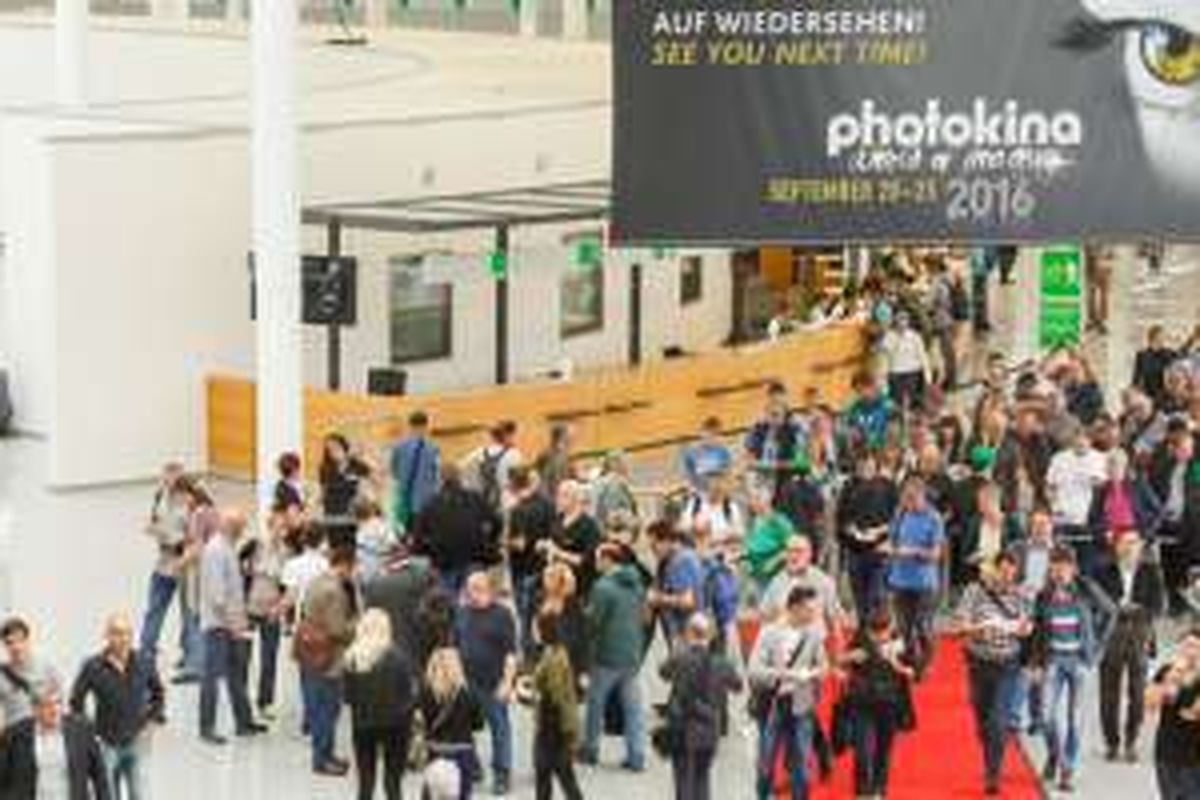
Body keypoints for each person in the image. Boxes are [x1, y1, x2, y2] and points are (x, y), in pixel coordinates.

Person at [1027, 546, 1109, 792]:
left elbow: (1109, 611)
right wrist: (1036, 663)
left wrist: (1096, 649)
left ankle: (1067, 769)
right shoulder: (1044, 595)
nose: (1059, 570)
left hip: (1079, 662)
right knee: (1046, 716)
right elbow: (1037, 633)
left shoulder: (1085, 588)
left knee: (1074, 720)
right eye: (1055, 565)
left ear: (1073, 568)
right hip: (1052, 660)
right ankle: (1054, 755)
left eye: (1064, 565)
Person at [953, 551, 1033, 796]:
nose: (1007, 577)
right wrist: (978, 627)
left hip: (1008, 665)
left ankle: (992, 773)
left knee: (998, 722)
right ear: (995, 569)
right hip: (979, 664)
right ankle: (990, 751)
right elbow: (958, 625)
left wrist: (1022, 629)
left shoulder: (1021, 595)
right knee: (983, 722)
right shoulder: (974, 592)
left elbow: (1028, 626)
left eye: (1012, 573)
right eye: (1003, 571)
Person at [68, 613, 164, 800]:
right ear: (107, 636)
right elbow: (76, 701)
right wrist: (88, 733)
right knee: (108, 795)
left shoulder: (144, 662)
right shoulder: (92, 666)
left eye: (127, 633)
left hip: (137, 742)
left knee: (140, 794)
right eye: (116, 633)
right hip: (106, 744)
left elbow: (158, 694)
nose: (122, 639)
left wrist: (151, 721)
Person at [747, 586, 827, 800]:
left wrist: (811, 674)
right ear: (795, 608)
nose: (814, 614)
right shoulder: (769, 633)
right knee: (766, 761)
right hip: (773, 704)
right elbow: (753, 669)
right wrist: (787, 675)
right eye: (810, 610)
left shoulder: (814, 634)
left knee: (802, 761)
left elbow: (823, 666)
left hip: (802, 705)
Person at [1096, 528, 1166, 763]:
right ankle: (1112, 743)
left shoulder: (1151, 571)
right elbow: (1095, 601)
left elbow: (1159, 606)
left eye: (1134, 543)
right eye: (1125, 543)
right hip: (1111, 632)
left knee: (1137, 693)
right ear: (1116, 547)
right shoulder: (1103, 570)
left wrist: (1138, 609)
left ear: (1140, 547)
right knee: (1108, 693)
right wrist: (1114, 608)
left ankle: (1131, 741)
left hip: (1139, 631)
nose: (1130, 547)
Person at [197, 508, 263, 745]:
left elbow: (233, 589)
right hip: (218, 626)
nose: (243, 531)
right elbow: (217, 597)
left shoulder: (227, 547)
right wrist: (233, 624)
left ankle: (244, 722)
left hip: (232, 623)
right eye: (240, 527)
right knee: (211, 677)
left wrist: (240, 620)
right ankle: (207, 727)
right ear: (230, 526)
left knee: (236, 675)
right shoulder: (216, 550)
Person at [659, 613, 742, 800]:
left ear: (689, 632)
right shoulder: (721, 662)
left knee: (683, 780)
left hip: (682, 726)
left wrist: (678, 649)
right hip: (710, 727)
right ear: (711, 634)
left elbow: (663, 673)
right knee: (702, 777)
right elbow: (738, 686)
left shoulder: (680, 657)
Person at [581, 543, 647, 771]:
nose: (596, 563)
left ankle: (590, 750)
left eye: (598, 558)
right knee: (633, 709)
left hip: (607, 655)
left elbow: (593, 623)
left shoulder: (603, 587)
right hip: (631, 653)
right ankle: (636, 755)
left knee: (595, 705)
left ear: (608, 560)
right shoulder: (637, 583)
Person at [839, 610, 915, 800]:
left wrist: (900, 667)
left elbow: (915, 670)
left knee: (883, 750)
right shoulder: (860, 638)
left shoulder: (902, 641)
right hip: (862, 703)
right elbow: (839, 661)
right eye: (874, 632)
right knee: (863, 751)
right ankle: (863, 793)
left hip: (890, 704)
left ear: (891, 628)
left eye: (883, 632)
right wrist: (850, 657)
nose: (879, 636)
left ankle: (879, 791)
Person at [297, 545, 360, 776]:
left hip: (310, 651)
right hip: (329, 657)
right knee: (328, 709)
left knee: (319, 706)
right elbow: (338, 629)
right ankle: (322, 760)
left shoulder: (316, 582)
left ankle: (326, 755)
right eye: (354, 567)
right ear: (345, 565)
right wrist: (358, 625)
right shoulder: (334, 590)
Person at [343, 609, 416, 800]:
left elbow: (348, 698)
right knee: (393, 782)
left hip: (363, 724)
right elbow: (408, 696)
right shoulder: (399, 658)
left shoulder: (352, 658)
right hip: (396, 725)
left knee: (365, 782)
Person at [455, 572, 517, 796]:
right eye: (469, 588)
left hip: (493, 683)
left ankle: (502, 773)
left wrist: (507, 683)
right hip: (465, 681)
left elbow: (511, 653)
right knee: (462, 728)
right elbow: (455, 645)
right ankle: (473, 767)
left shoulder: (503, 614)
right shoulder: (461, 612)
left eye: (476, 588)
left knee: (500, 728)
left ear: (489, 590)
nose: (470, 593)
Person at [0, 682, 111, 800]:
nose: (54, 710)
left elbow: (99, 774)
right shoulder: (15, 735)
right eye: (47, 705)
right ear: (35, 709)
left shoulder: (81, 730)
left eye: (57, 703)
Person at [411, 465, 503, 600]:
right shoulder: (475, 498)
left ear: (441, 480)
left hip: (444, 561)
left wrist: (428, 550)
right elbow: (497, 521)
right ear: (460, 479)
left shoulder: (430, 503)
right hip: (474, 557)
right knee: (476, 602)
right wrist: (490, 539)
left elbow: (417, 537)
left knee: (448, 605)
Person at [887, 476, 945, 678]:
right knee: (903, 627)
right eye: (905, 497)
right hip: (899, 580)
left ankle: (926, 663)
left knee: (922, 626)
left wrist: (913, 552)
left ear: (923, 495)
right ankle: (912, 663)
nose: (908, 502)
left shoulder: (934, 518)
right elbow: (892, 543)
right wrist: (892, 550)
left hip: (924, 582)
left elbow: (936, 555)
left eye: (912, 498)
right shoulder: (900, 513)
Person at [138, 463, 190, 663]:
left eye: (169, 478)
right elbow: (150, 524)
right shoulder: (160, 498)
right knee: (155, 609)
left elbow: (189, 533)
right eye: (165, 478)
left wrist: (166, 534)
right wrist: (159, 532)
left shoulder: (188, 502)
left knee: (187, 613)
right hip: (164, 563)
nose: (165, 482)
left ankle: (187, 652)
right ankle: (147, 649)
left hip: (184, 564)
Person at [837, 453, 898, 621]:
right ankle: (863, 634)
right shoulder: (848, 487)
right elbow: (841, 519)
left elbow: (898, 518)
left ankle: (878, 638)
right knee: (859, 602)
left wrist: (880, 531)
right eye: (862, 466)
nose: (865, 470)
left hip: (880, 553)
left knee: (877, 599)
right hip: (855, 552)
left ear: (876, 467)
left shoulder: (888, 486)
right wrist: (852, 530)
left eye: (869, 466)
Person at [506, 466, 557, 660]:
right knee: (543, 616)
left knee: (525, 621)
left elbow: (520, 544)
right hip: (542, 570)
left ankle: (528, 659)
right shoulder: (547, 504)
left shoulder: (518, 511)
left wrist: (504, 543)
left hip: (522, 572)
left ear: (513, 485)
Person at [531, 612, 583, 800]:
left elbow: (557, 696)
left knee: (554, 776)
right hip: (556, 727)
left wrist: (529, 693)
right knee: (561, 778)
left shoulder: (553, 659)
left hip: (553, 728)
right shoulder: (554, 652)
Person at [419, 647, 483, 800]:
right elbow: (479, 724)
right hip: (462, 752)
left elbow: (424, 721)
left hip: (436, 751)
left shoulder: (426, 693)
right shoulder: (468, 693)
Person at [1046, 426, 1108, 578]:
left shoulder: (1100, 459)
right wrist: (1053, 506)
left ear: (1090, 441)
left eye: (1083, 442)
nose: (1079, 445)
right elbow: (1049, 485)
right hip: (1062, 518)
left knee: (1086, 565)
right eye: (1076, 441)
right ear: (1072, 440)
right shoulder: (1059, 458)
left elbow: (1105, 488)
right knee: (1061, 560)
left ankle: (1086, 589)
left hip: (1086, 520)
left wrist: (1095, 482)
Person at [1146, 627, 1200, 800]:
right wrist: (1172, 677)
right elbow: (1149, 704)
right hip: (1167, 753)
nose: (1191, 652)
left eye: (1197, 647)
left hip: (1195, 759)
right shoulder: (1167, 670)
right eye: (1187, 646)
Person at [647, 526, 704, 649]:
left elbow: (688, 601)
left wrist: (658, 599)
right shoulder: (666, 562)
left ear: (666, 541)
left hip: (687, 635)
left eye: (654, 546)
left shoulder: (682, 561)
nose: (653, 551)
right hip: (677, 633)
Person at [0, 618, 61, 732]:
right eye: (9, 642)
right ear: (4, 645)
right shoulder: (2, 675)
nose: (16, 647)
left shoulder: (46, 667)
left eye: (20, 640)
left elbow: (61, 702)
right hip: (15, 738)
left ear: (28, 640)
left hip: (41, 735)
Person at [549, 480, 603, 598]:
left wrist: (559, 553)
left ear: (576, 498)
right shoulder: (558, 520)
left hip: (580, 587)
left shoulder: (589, 526)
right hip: (557, 584)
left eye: (564, 495)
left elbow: (587, 561)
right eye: (558, 494)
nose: (558, 499)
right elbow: (553, 544)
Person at [319, 433, 374, 547]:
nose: (333, 452)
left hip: (352, 518)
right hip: (332, 518)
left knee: (353, 550)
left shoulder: (356, 465)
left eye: (335, 447)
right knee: (335, 552)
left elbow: (375, 479)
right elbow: (323, 491)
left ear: (344, 446)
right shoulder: (325, 468)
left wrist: (366, 496)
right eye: (329, 449)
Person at [389, 410, 441, 529]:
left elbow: (394, 471)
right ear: (426, 426)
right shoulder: (433, 448)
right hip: (426, 501)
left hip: (405, 498)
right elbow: (436, 475)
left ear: (410, 426)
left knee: (407, 532)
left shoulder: (398, 446)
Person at [880, 311, 930, 415]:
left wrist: (927, 374)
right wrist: (883, 378)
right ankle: (901, 417)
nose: (902, 323)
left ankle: (910, 416)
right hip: (896, 372)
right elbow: (884, 358)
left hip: (912, 371)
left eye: (905, 319)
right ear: (895, 321)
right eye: (900, 320)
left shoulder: (915, 337)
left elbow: (922, 355)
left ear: (908, 322)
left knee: (911, 401)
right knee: (897, 400)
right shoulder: (889, 337)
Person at [681, 417, 733, 494]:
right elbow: (687, 476)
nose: (712, 438)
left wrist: (723, 488)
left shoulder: (724, 452)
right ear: (702, 433)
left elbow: (727, 475)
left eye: (716, 435)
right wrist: (691, 488)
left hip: (717, 494)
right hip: (698, 492)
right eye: (709, 434)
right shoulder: (691, 453)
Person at [354, 497, 397, 584]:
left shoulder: (361, 531)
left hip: (370, 573)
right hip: (383, 571)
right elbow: (393, 543)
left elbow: (360, 555)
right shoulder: (384, 525)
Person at [593, 450, 638, 530]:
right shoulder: (615, 483)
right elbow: (613, 514)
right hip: (613, 532)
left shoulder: (600, 482)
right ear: (614, 464)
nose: (628, 466)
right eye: (626, 462)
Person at [534, 423, 575, 504]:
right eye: (567, 435)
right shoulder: (548, 454)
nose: (569, 439)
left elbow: (564, 474)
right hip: (550, 498)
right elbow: (544, 479)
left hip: (559, 495)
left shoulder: (563, 452)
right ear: (561, 437)